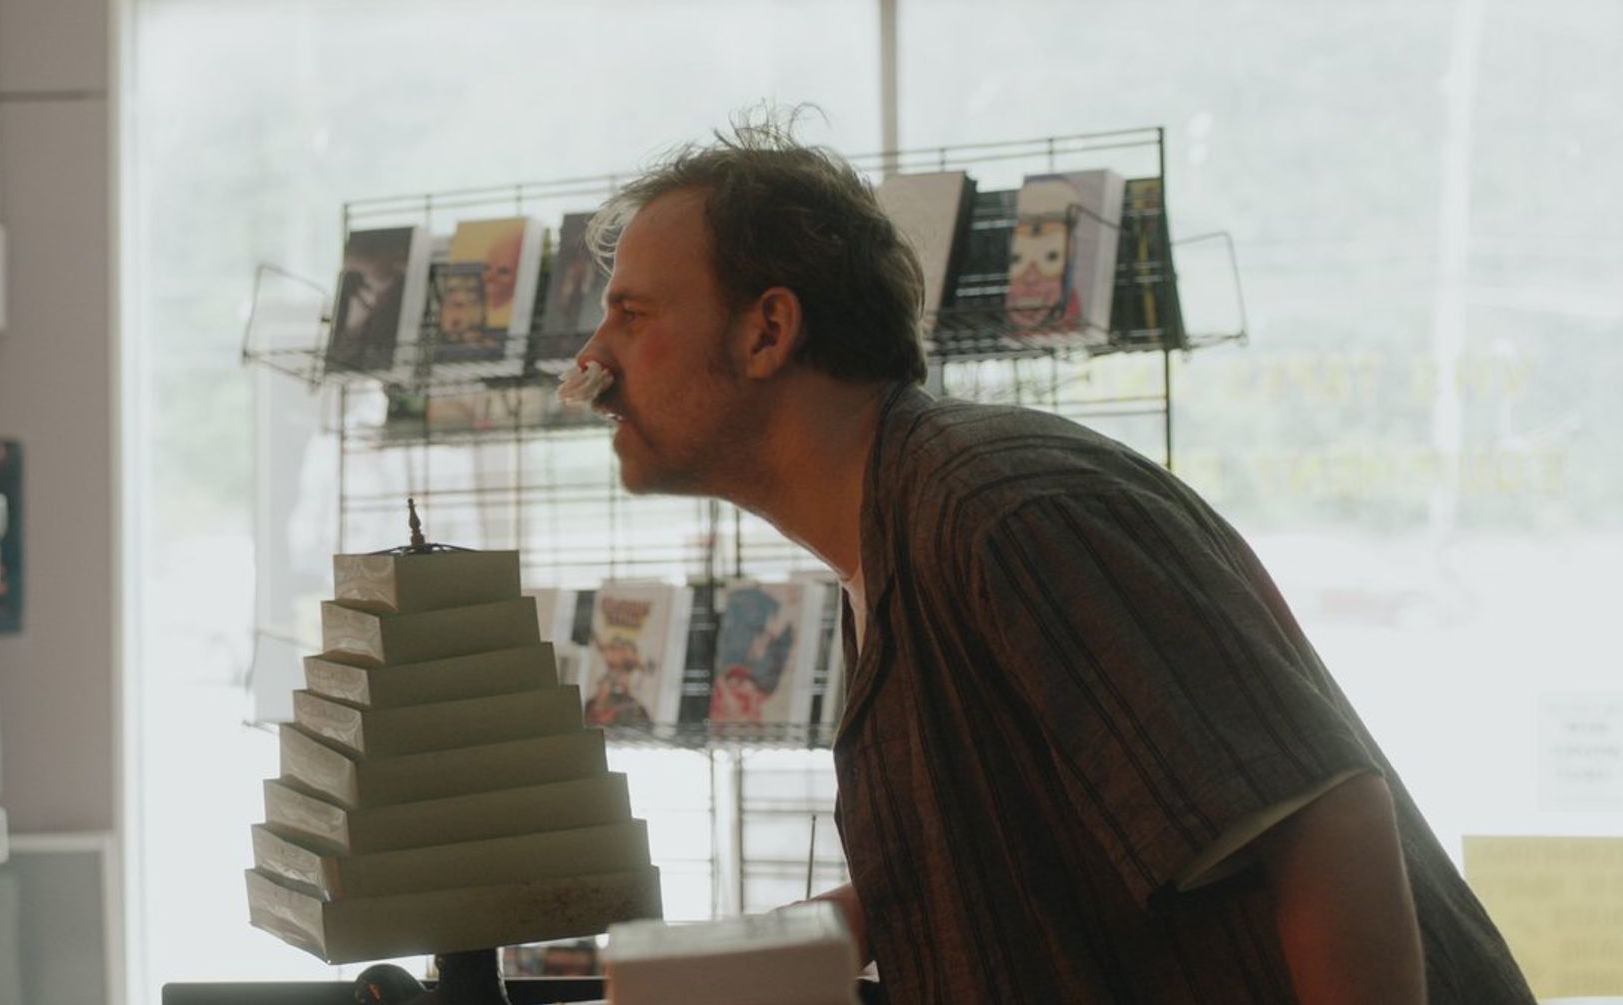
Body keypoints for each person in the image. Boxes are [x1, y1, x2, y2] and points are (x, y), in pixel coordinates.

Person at [565, 115, 1534, 1003]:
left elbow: (1328, 821)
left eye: (632, 315)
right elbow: (990, 856)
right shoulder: (904, 531)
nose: (591, 359)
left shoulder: (999, 512)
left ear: (768, 331)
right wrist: (734, 960)